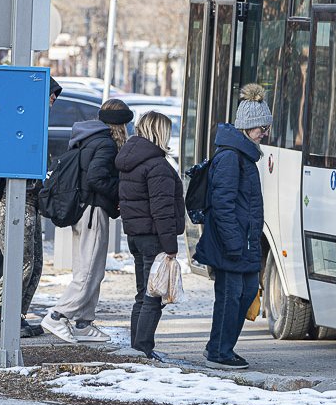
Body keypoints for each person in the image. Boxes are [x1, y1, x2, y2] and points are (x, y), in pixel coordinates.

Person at [42, 98, 132, 343]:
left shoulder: (86, 138)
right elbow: (96, 178)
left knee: (89, 270)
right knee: (89, 271)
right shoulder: (105, 144)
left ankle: (83, 324)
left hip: (81, 211)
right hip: (93, 212)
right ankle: (58, 315)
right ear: (120, 124)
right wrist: (119, 193)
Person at [194, 83, 270, 370]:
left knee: (248, 291)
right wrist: (235, 243)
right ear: (247, 126)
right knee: (230, 297)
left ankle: (222, 347)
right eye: (261, 127)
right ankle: (218, 351)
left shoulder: (244, 155)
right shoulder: (230, 158)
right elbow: (223, 205)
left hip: (243, 242)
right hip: (232, 244)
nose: (264, 132)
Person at [0, 77, 62, 339]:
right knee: (22, 263)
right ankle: (5, 317)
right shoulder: (21, 124)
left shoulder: (36, 124)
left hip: (31, 202)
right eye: (51, 94)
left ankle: (16, 316)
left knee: (35, 264)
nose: (53, 100)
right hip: (16, 201)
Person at [115, 111, 184, 359]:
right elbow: (162, 210)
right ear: (160, 132)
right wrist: (171, 246)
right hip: (154, 237)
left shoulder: (129, 160)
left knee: (143, 293)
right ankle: (143, 347)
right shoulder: (157, 165)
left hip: (135, 235)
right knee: (153, 296)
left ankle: (137, 347)